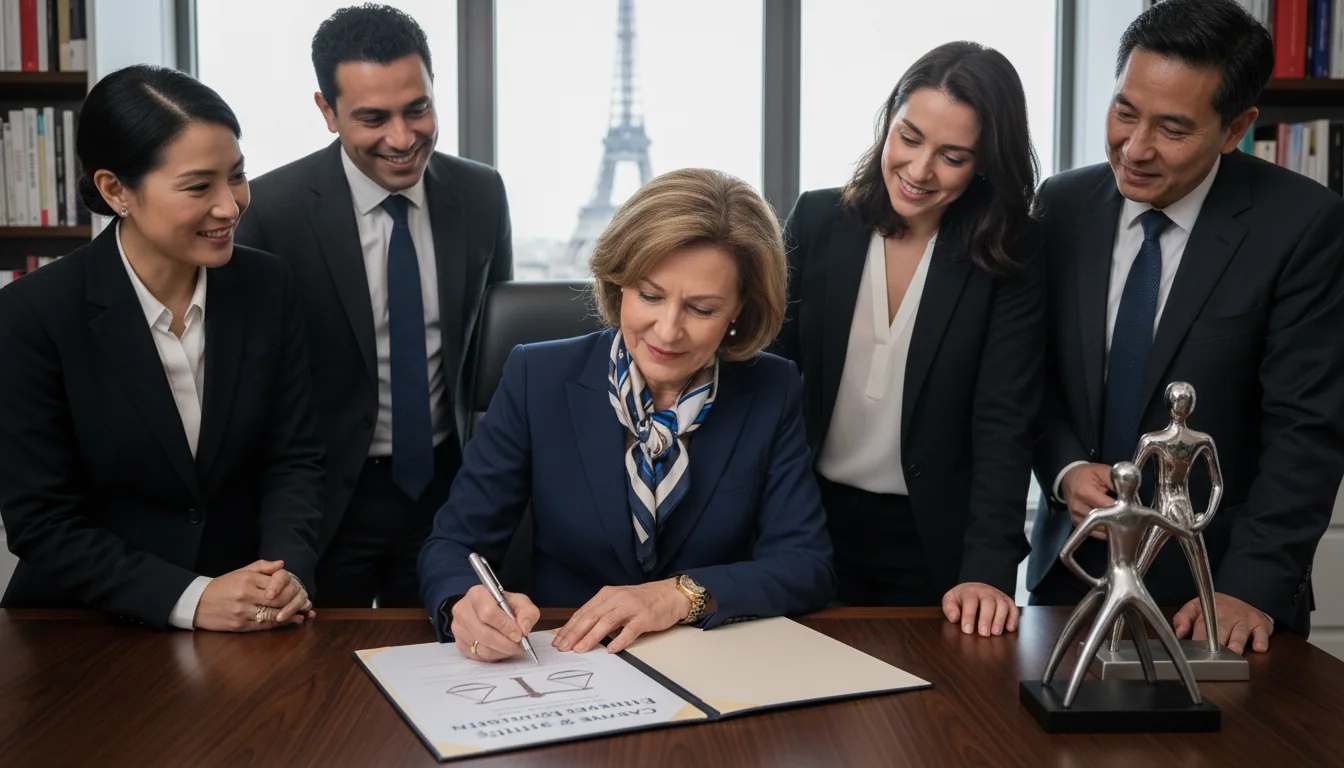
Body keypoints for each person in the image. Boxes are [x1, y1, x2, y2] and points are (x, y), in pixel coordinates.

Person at [1028, 0, 1344, 655]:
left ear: (1237, 129)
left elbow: (1307, 427)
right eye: (1124, 112)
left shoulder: (1303, 226)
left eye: (1172, 128)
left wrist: (1251, 584)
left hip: (1218, 597)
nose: (1136, 148)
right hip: (1073, 576)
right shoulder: (1061, 205)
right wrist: (1063, 467)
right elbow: (1032, 375)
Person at [418, 169, 835, 661]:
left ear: (739, 310)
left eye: (701, 308)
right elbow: (452, 545)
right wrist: (463, 603)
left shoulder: (771, 388)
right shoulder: (538, 375)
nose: (668, 330)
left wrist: (678, 595)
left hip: (711, 663)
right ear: (619, 286)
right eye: (651, 296)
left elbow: (806, 565)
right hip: (563, 660)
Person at [0, 65, 323, 630]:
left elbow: (294, 458)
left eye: (238, 176)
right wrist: (193, 598)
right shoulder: (34, 313)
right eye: (199, 186)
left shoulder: (269, 286)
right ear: (115, 189)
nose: (230, 206)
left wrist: (286, 573)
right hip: (81, 629)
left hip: (250, 618)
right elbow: (41, 520)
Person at [234, 5, 513, 608]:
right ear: (327, 112)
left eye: (417, 108)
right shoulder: (271, 211)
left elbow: (495, 357)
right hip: (327, 497)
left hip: (451, 488)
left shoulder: (482, 193)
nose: (402, 137)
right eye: (372, 117)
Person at [773, 42, 1044, 637]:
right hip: (805, 523)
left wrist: (989, 571)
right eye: (910, 137)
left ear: (984, 165)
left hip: (932, 543)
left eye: (952, 156)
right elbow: (767, 379)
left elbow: (1005, 422)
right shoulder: (818, 222)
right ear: (887, 124)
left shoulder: (1008, 257)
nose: (920, 171)